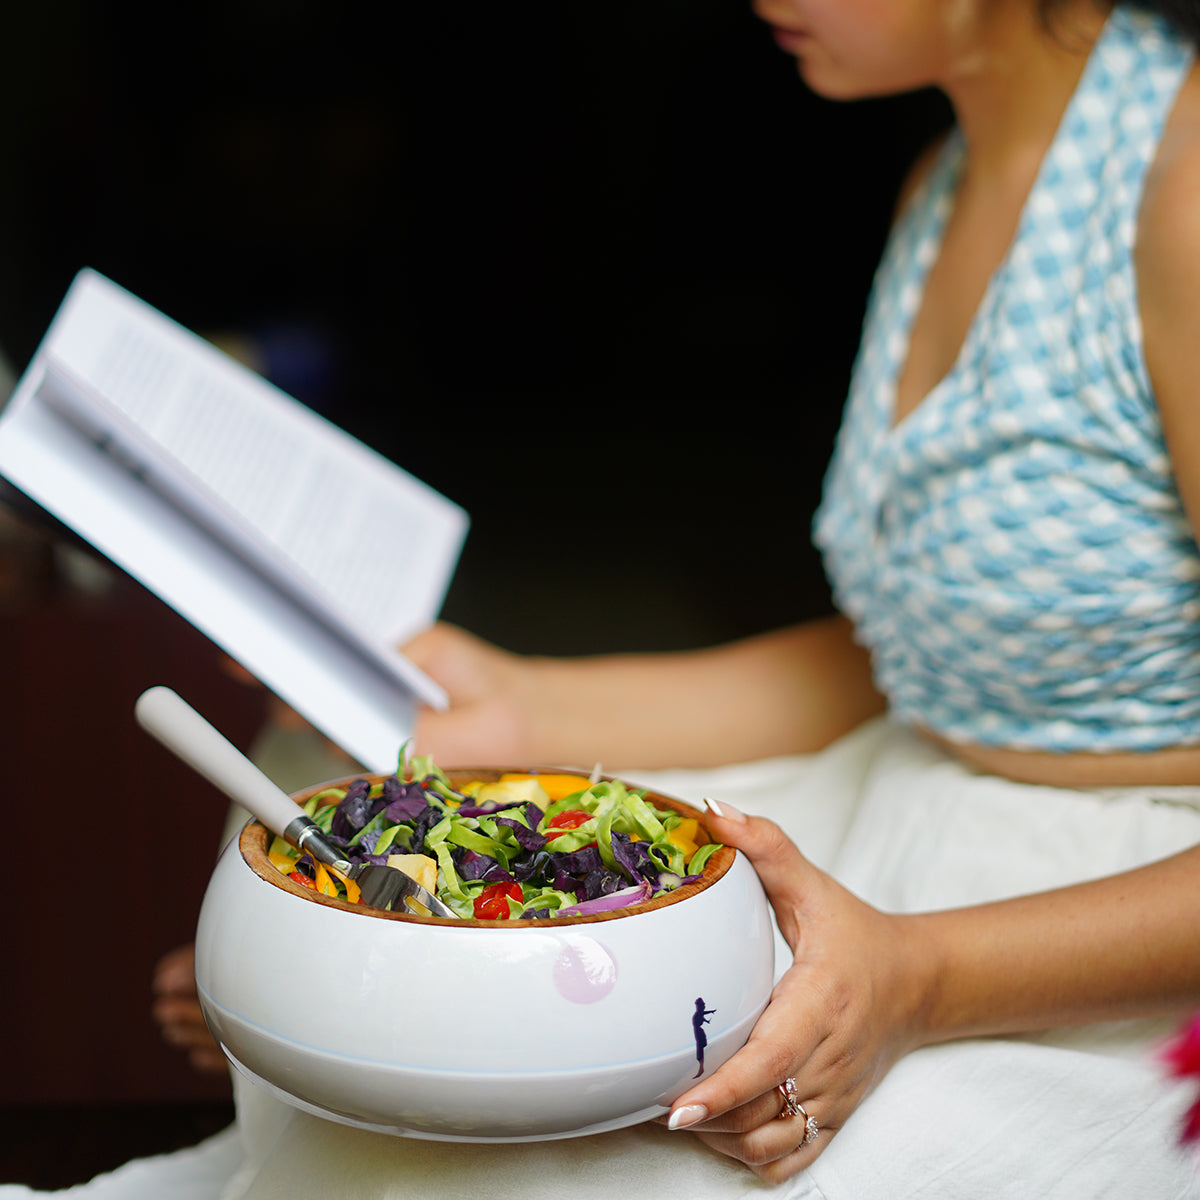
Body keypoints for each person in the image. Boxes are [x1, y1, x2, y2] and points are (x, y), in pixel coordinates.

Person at [147, 0, 1200, 1195]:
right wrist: (524, 702)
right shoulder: (951, 175)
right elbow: (935, 648)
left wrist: (917, 980)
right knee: (355, 800)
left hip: (1110, 922)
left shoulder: (1180, 190)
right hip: (922, 805)